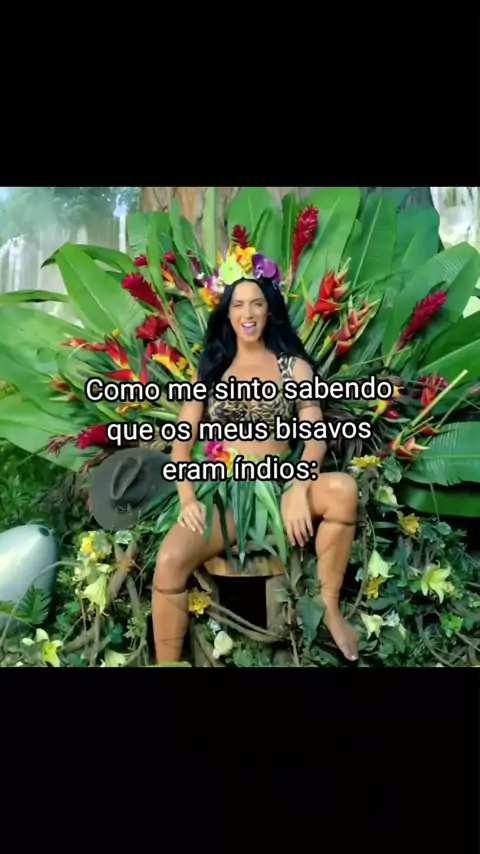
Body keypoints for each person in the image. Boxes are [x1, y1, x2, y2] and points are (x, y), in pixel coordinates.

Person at [152, 254, 359, 663]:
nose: (248, 314)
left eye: (257, 304)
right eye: (238, 305)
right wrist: (188, 499)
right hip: (225, 494)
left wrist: (299, 485)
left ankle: (329, 606)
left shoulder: (293, 367)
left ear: (269, 311)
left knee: (343, 490)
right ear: (228, 315)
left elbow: (315, 435)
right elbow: (181, 440)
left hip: (280, 484)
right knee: (170, 560)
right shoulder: (212, 371)